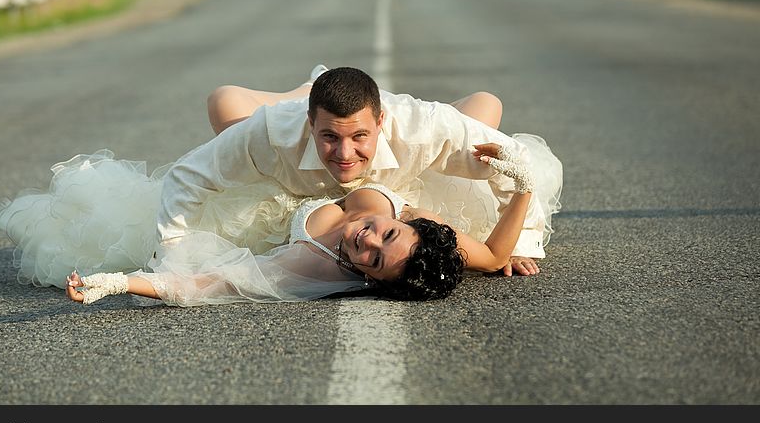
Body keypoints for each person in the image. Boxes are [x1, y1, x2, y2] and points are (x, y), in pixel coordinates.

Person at [159, 66, 562, 277]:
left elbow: (515, 162)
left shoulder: (428, 129)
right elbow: (186, 176)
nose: (346, 154)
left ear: (382, 121)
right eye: (329, 137)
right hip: (289, 136)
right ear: (309, 125)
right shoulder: (269, 135)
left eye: (359, 137)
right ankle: (309, 88)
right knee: (224, 101)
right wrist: (173, 249)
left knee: (486, 105)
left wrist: (525, 240)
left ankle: (326, 91)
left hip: (407, 162)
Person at [60, 141, 533, 306]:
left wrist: (120, 282)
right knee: (483, 107)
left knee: (226, 108)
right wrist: (523, 186)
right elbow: (491, 257)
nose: (367, 238)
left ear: (369, 277)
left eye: (372, 259)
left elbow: (204, 284)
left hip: (274, 195)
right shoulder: (423, 230)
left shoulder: (312, 265)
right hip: (352, 157)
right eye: (386, 232)